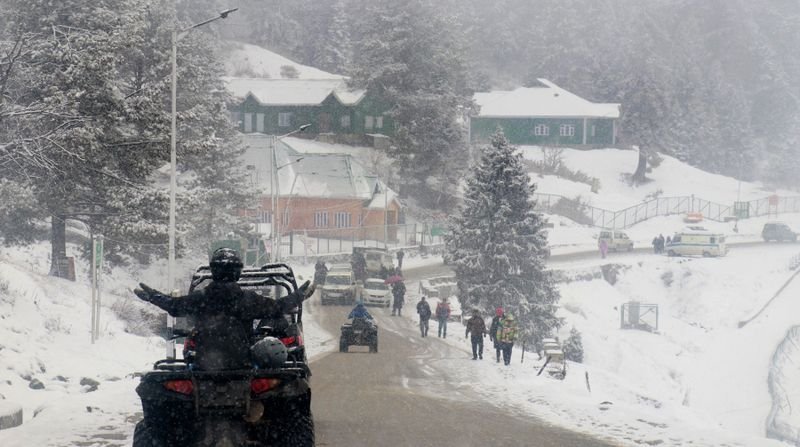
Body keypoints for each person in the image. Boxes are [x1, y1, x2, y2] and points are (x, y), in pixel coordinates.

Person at [133, 248, 313, 370]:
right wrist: (298, 295)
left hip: (204, 367)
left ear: (213, 271)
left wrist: (153, 296)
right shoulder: (248, 301)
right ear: (238, 273)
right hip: (242, 366)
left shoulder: (201, 299)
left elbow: (174, 306)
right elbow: (278, 308)